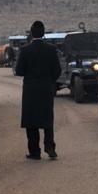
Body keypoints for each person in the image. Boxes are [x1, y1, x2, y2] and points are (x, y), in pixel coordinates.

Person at [14, 20, 61, 160]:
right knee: (47, 119)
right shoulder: (51, 50)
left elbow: (19, 71)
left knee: (31, 120)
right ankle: (50, 147)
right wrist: (50, 81)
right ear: (44, 33)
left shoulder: (25, 50)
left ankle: (35, 152)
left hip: (30, 90)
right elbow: (57, 71)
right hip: (46, 88)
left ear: (31, 33)